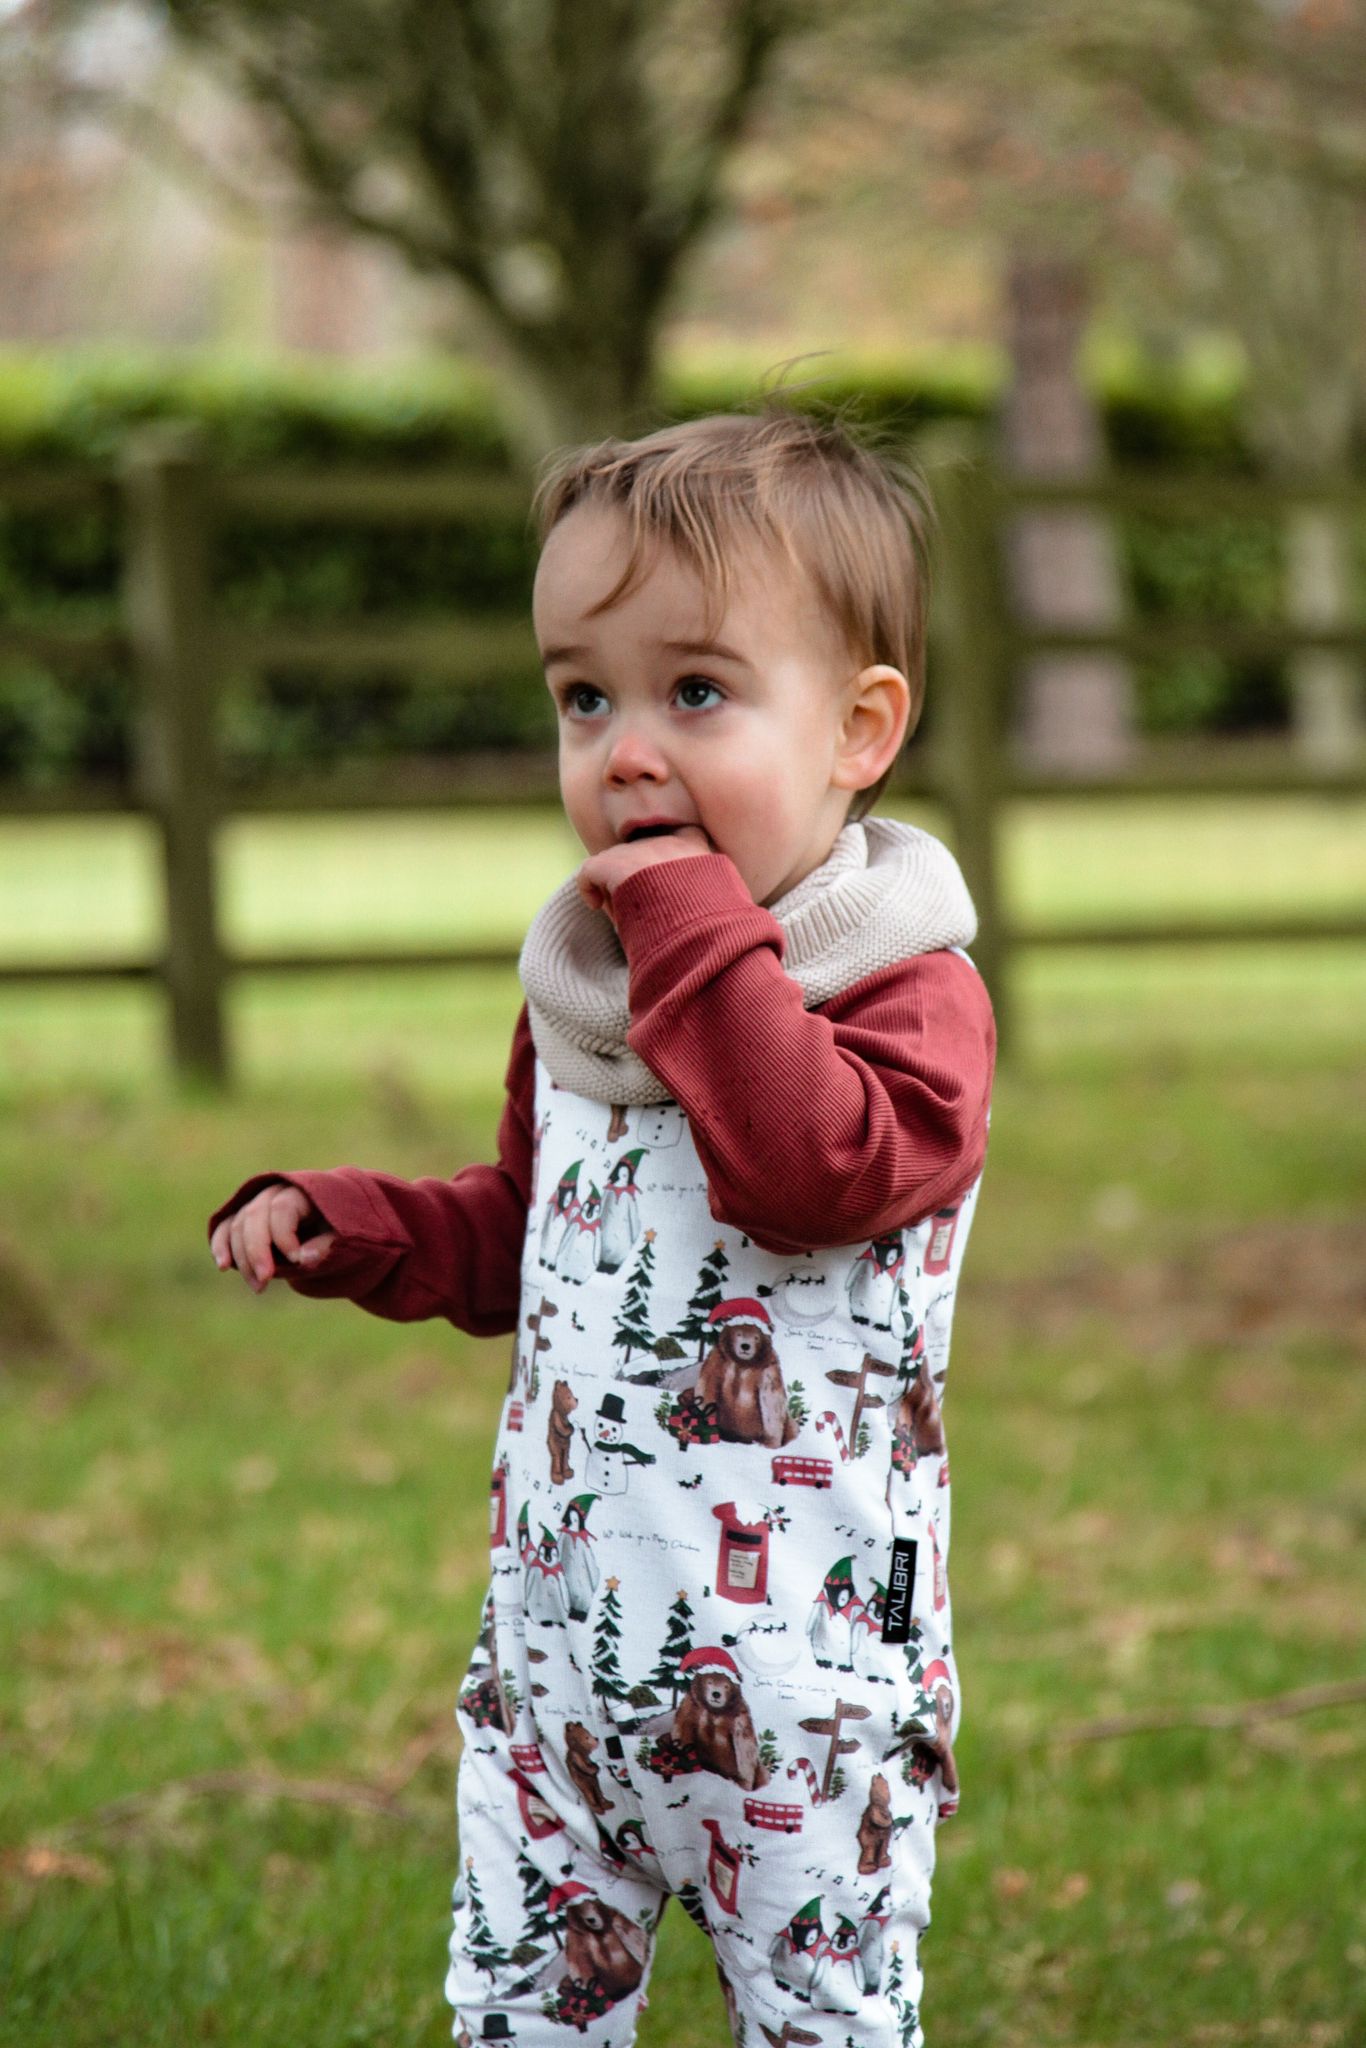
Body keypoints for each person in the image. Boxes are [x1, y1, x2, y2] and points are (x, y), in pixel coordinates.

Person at [207, 406, 995, 2048]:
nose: (625, 751)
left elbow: (807, 1169)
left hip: (801, 1694)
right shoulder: (587, 996)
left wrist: (688, 920)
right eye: (583, 697)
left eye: (695, 692)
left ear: (859, 730)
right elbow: (527, 1232)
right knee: (518, 2013)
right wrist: (353, 1223)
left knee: (825, 2024)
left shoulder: (906, 991)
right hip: (556, 1673)